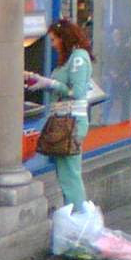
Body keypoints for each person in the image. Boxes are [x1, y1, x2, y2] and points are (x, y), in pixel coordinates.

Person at [24, 18, 94, 211]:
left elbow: (77, 92)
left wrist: (49, 83)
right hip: (65, 121)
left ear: (65, 38)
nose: (53, 44)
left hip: (71, 122)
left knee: (70, 174)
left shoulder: (78, 57)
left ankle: (78, 218)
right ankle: (75, 216)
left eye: (55, 39)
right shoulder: (71, 58)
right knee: (66, 175)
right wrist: (43, 82)